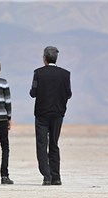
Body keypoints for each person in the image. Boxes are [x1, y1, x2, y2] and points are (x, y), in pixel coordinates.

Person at [29, 46, 72, 185]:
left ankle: (46, 176)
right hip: (58, 114)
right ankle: (56, 177)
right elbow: (69, 94)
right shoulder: (65, 74)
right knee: (54, 144)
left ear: (45, 58)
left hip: (41, 114)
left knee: (42, 145)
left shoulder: (38, 73)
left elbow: (33, 93)